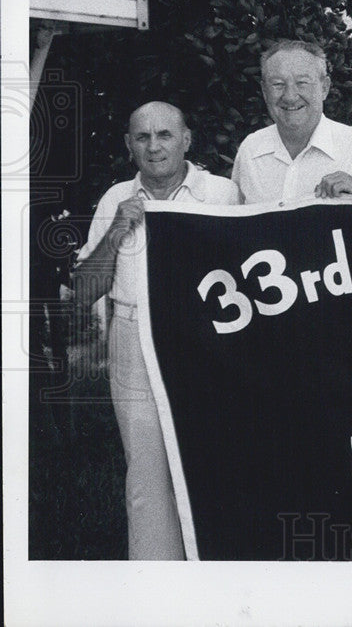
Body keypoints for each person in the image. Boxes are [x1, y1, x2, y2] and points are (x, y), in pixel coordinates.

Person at [74, 102, 240, 559]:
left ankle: (221, 576)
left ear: (187, 139)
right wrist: (116, 231)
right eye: (142, 137)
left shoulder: (222, 195)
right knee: (145, 476)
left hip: (209, 339)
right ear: (129, 146)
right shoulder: (115, 198)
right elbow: (85, 290)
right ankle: (155, 588)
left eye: (164, 135)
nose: (154, 146)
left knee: (214, 461)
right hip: (134, 338)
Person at [232, 40, 352, 203]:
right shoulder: (251, 150)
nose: (290, 96)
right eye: (278, 84)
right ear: (264, 91)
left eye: (302, 83)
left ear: (324, 88)